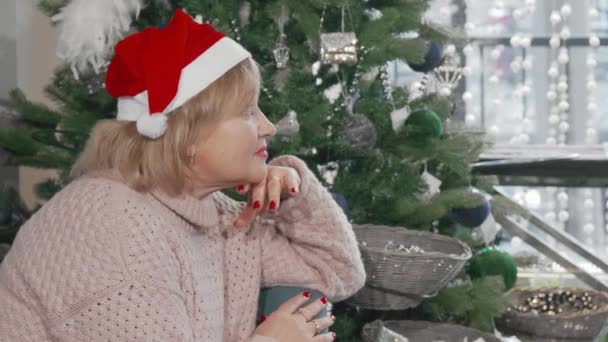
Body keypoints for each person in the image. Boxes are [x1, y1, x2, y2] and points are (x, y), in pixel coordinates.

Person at [0, 8, 366, 342]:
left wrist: (291, 194)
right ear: (188, 135)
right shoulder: (114, 232)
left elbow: (338, 271)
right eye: (248, 112)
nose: (268, 127)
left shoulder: (215, 214)